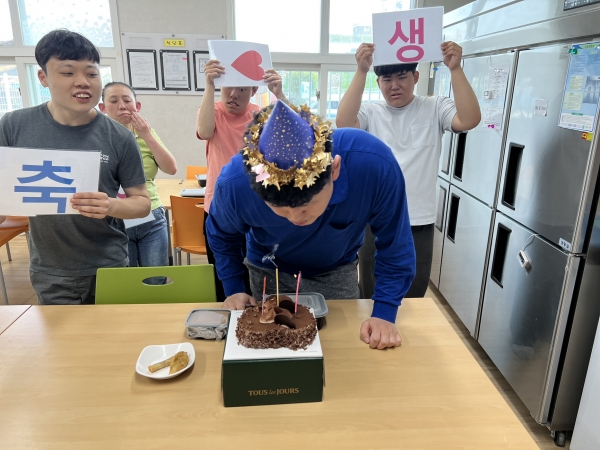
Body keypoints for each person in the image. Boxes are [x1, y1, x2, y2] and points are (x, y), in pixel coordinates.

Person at [207, 100, 416, 350]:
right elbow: (222, 236)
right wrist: (233, 288)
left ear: (334, 169)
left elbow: (395, 243)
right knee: (273, 347)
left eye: (308, 205)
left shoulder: (374, 165)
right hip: (269, 270)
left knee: (344, 351)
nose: (296, 219)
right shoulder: (235, 184)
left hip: (337, 271)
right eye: (281, 210)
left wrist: (384, 312)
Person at [0, 29, 150, 305]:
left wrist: (111, 205)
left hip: (108, 265)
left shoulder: (119, 136)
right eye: (67, 72)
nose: (82, 82)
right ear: (43, 78)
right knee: (60, 334)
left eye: (91, 73)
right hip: (50, 269)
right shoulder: (13, 126)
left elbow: (142, 203)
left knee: (112, 331)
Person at [336, 41, 481, 299]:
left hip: (419, 220)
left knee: (414, 293)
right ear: (378, 82)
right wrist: (361, 71)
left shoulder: (435, 107)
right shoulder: (370, 112)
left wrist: (455, 69)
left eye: (402, 76)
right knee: (371, 291)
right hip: (374, 219)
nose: (394, 85)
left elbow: (469, 119)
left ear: (415, 77)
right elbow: (344, 123)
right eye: (386, 79)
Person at [196, 60, 287, 301]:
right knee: (224, 273)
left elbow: (293, 132)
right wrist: (209, 84)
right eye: (228, 87)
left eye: (242, 89)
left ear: (254, 90)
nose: (233, 94)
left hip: (254, 208)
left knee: (254, 273)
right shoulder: (213, 111)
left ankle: (256, 317)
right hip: (217, 208)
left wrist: (279, 94)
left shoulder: (259, 115)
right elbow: (204, 132)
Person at [99, 82, 177, 269]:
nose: (122, 106)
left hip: (152, 214)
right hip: (116, 218)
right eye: (114, 101)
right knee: (128, 278)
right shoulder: (98, 137)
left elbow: (171, 168)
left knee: (156, 278)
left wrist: (147, 135)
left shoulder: (146, 133)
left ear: (137, 106)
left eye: (127, 100)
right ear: (102, 108)